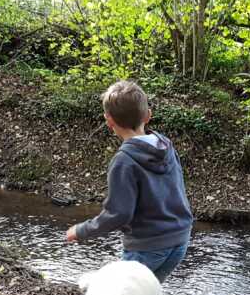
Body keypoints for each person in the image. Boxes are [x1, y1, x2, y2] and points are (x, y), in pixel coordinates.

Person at [65, 80, 193, 283]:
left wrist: (82, 231)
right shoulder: (166, 146)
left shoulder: (124, 162)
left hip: (147, 247)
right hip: (181, 240)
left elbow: (119, 214)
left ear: (109, 121)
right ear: (148, 115)